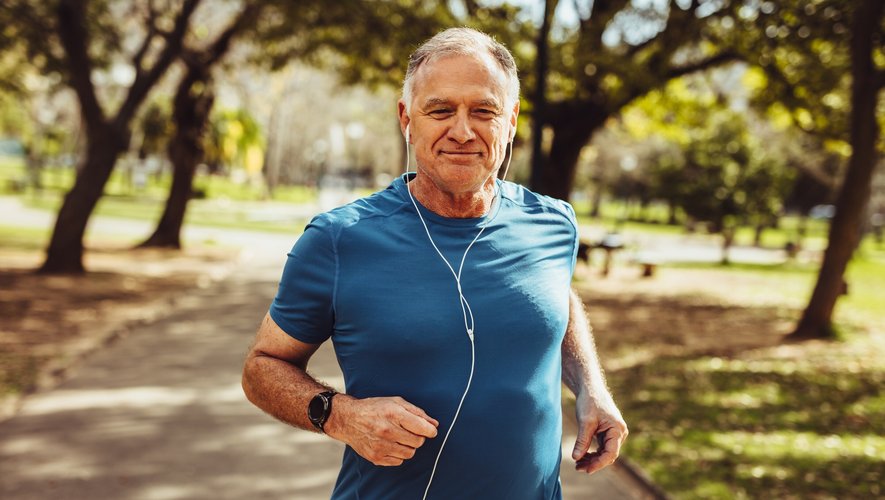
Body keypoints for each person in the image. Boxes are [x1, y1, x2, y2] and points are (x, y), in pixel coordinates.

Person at [242, 27, 627, 499]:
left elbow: (554, 299)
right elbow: (262, 366)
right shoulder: (338, 239)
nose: (462, 132)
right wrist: (341, 416)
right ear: (407, 118)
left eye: (483, 111)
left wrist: (591, 387)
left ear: (511, 120)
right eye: (441, 110)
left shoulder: (554, 223)